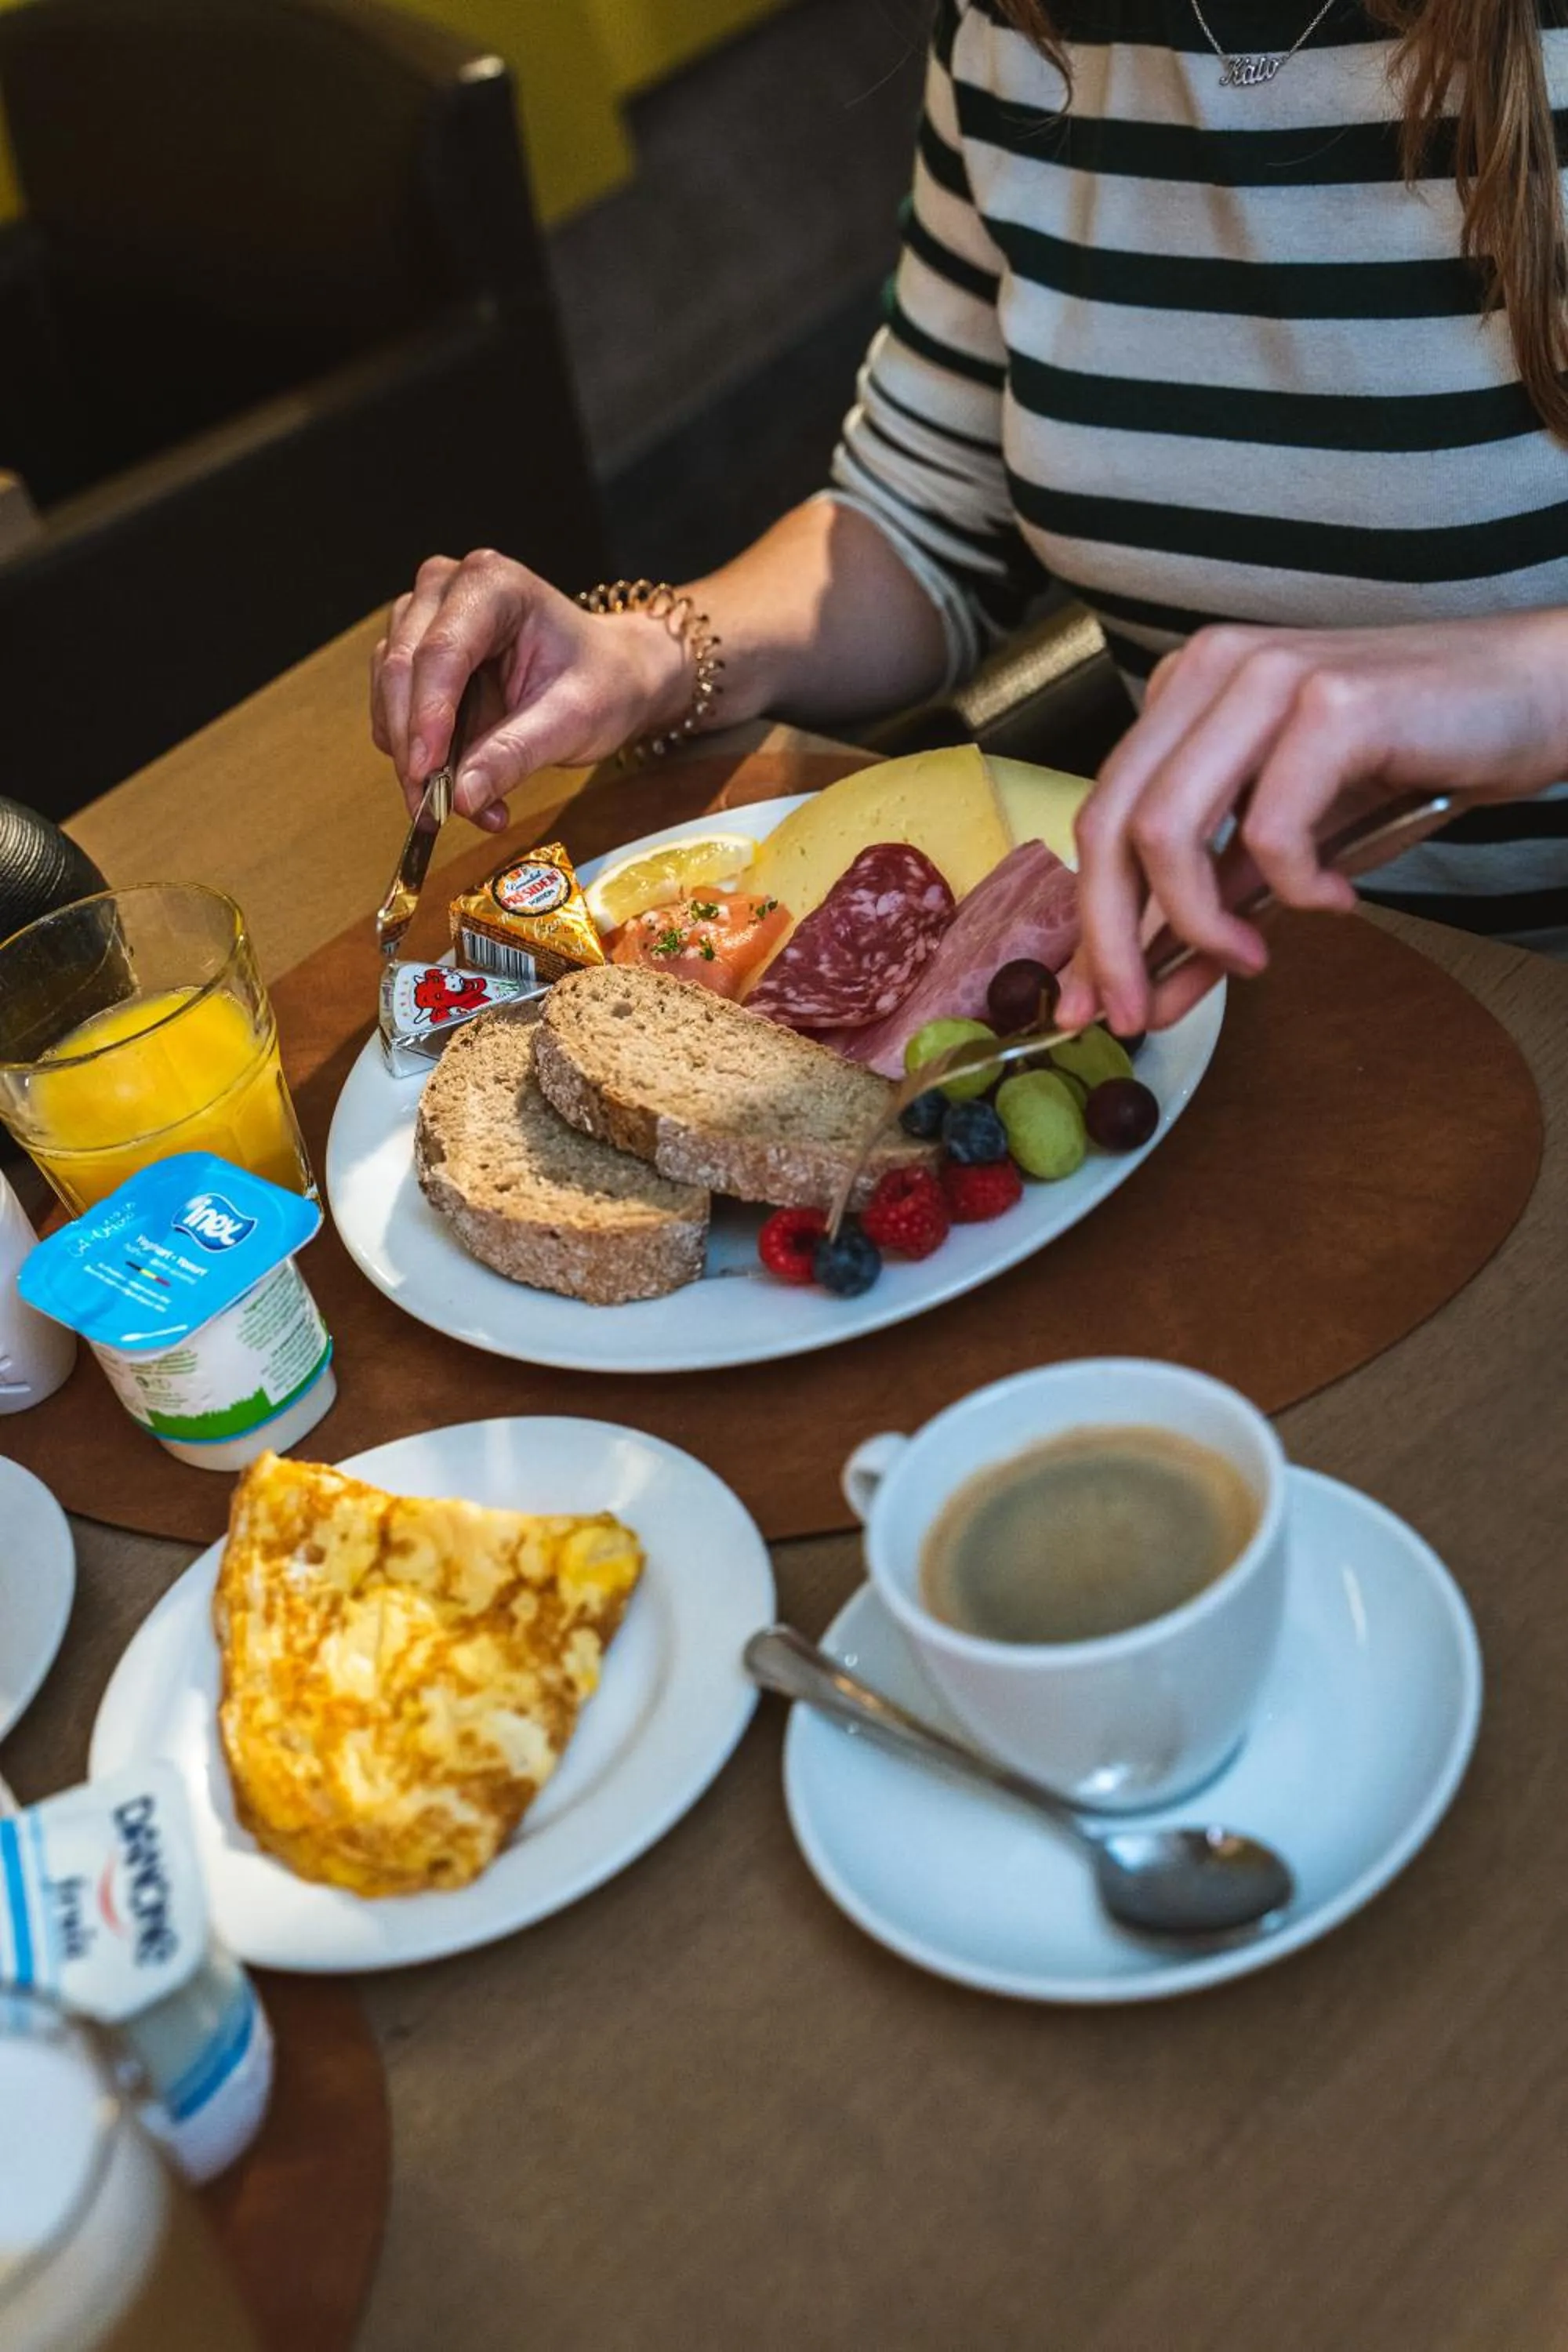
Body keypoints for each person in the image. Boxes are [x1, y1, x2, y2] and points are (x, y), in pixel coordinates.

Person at [372, 0, 1568, 1020]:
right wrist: (646, 653)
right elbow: (918, 514)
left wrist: (1530, 680)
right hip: (1209, 999)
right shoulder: (1016, 32)